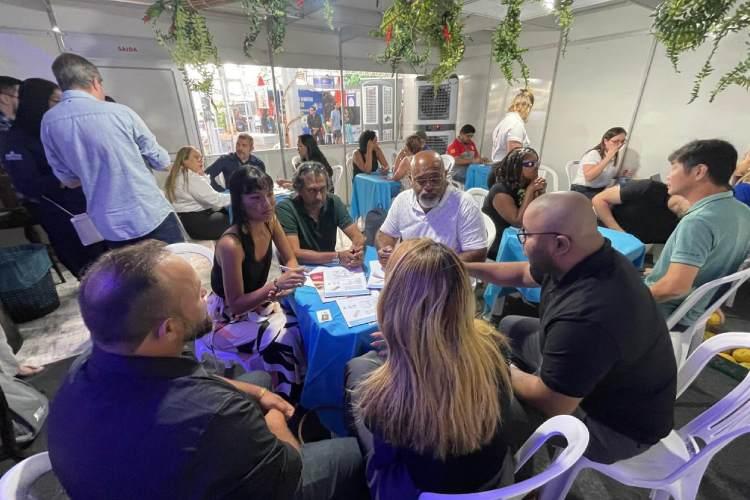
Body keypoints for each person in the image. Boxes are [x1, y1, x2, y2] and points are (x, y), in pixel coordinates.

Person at [48, 240, 367, 500]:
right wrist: (273, 416)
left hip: (140, 474)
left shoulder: (83, 368)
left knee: (258, 379)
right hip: (263, 478)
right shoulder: (216, 412)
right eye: (197, 294)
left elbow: (190, 382)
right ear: (168, 328)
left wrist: (258, 392)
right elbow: (288, 471)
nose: (207, 296)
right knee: (356, 452)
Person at [467, 191, 677, 464]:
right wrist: (463, 267)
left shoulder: (588, 315)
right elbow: (522, 273)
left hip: (616, 428)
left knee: (488, 397)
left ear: (560, 243)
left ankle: (516, 469)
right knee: (510, 326)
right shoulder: (586, 256)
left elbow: (553, 403)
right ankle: (552, 375)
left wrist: (497, 367)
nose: (523, 241)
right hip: (602, 372)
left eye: (526, 235)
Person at [345, 239, 516, 497]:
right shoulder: (494, 344)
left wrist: (404, 349)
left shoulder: (383, 395)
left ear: (392, 302)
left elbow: (384, 458)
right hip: (495, 479)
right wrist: (407, 349)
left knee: (355, 371)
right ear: (462, 294)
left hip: (428, 491)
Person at [41, 53, 184, 248]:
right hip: (148, 212)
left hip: (108, 224)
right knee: (173, 263)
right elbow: (160, 160)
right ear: (94, 82)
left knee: (129, 268)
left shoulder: (49, 122)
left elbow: (69, 180)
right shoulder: (119, 113)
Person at [203, 166, 308, 399]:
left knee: (302, 325)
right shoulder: (231, 244)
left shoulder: (270, 221)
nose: (267, 204)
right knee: (283, 340)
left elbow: (290, 257)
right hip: (226, 317)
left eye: (269, 194)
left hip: (258, 301)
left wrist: (292, 275)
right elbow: (236, 304)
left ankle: (299, 391)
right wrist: (276, 285)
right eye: (256, 198)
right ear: (239, 202)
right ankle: (283, 399)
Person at [2, 78, 107, 278]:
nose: (62, 106)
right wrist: (66, 177)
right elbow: (27, 185)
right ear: (38, 102)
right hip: (60, 213)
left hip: (88, 204)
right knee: (88, 268)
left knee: (109, 259)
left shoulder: (55, 129)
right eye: (57, 101)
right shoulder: (16, 140)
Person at [646, 139, 750, 329]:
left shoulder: (699, 221)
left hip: (664, 312)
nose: (668, 176)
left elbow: (675, 287)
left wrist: (633, 297)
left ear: (699, 171)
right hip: (697, 310)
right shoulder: (743, 212)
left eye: (674, 168)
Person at [376, 151, 487, 265]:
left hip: (447, 273)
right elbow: (386, 234)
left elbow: (477, 253)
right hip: (409, 270)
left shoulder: (464, 204)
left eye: (435, 179)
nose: (428, 186)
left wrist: (434, 267)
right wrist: (386, 250)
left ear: (445, 175)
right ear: (410, 180)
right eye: (421, 181)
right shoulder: (403, 200)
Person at [277, 162, 365, 266]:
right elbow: (294, 253)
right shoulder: (286, 208)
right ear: (299, 190)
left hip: (330, 268)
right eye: (312, 190)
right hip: (301, 268)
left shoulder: (333, 202)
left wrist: (357, 252)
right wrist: (337, 256)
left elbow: (358, 237)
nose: (319, 197)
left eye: (323, 189)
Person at [483, 147, 546, 260]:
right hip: (501, 243)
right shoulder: (500, 191)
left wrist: (540, 192)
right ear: (516, 167)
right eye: (530, 164)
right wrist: (530, 191)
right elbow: (518, 221)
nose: (536, 167)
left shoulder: (526, 184)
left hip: (521, 237)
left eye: (537, 163)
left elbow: (539, 214)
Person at [164, 146, 230, 240]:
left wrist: (202, 175)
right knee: (237, 220)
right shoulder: (191, 178)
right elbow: (216, 200)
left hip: (188, 222)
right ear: (185, 160)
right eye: (196, 157)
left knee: (225, 211)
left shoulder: (178, 175)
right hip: (199, 223)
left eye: (201, 157)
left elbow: (205, 193)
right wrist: (237, 195)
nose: (201, 160)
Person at [592, 179, 689, 243]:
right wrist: (620, 234)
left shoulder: (685, 225)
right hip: (601, 230)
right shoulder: (650, 188)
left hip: (627, 246)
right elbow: (599, 200)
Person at [571, 127, 628, 199]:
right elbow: (589, 177)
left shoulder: (614, 155)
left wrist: (621, 174)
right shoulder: (594, 154)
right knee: (611, 203)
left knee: (624, 199)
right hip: (583, 190)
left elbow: (606, 175)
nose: (620, 145)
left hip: (600, 190)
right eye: (616, 141)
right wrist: (607, 158)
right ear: (605, 141)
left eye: (622, 141)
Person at [491, 89, 534, 162]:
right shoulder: (516, 124)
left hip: (499, 165)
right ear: (528, 108)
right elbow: (514, 159)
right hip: (507, 168)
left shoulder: (506, 121)